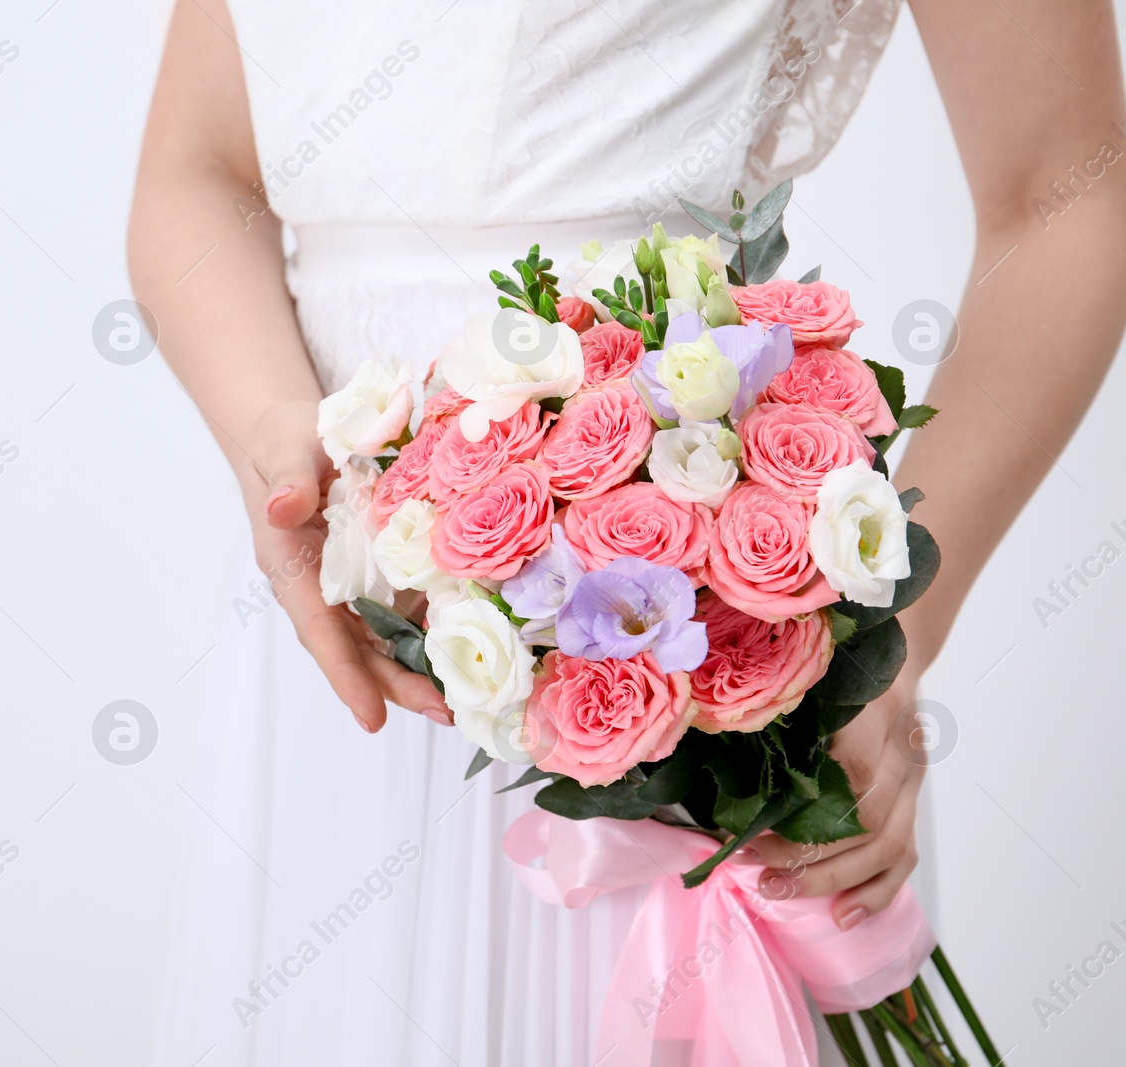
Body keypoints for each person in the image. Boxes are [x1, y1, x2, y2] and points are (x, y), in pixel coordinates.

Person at [129, 1, 1126, 1063]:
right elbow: (198, 171)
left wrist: (893, 646)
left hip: (682, 661)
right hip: (336, 655)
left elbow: (1067, 190)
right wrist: (281, 441)